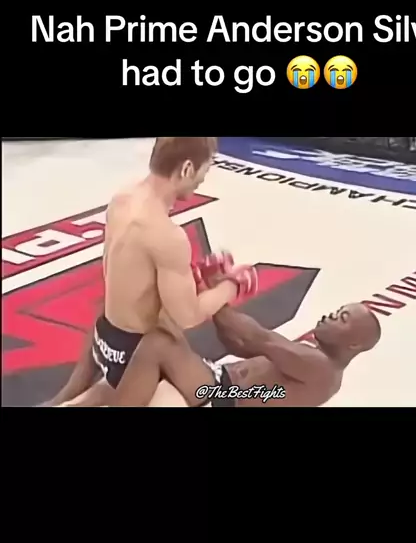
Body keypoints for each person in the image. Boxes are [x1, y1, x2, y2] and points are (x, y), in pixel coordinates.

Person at [43, 137, 247, 407]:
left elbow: (134, 279)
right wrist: (233, 286)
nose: (202, 180)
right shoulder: (166, 235)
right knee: (201, 393)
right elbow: (187, 315)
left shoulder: (122, 199)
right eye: (204, 170)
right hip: (136, 356)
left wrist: (193, 277)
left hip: (105, 338)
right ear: (187, 168)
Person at [93, 263, 382, 409]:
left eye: (342, 318)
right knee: (156, 326)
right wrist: (214, 299)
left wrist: (219, 292)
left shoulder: (323, 370)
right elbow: (239, 344)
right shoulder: (312, 355)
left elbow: (256, 337)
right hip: (217, 381)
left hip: (222, 396)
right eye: (337, 311)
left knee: (157, 343)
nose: (330, 315)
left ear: (354, 343)